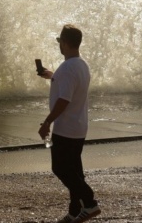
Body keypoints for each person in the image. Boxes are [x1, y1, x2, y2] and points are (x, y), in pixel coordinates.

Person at [37, 24, 101, 223]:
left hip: (65, 129)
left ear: (64, 42)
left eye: (60, 42)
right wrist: (51, 75)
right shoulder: (81, 65)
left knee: (60, 168)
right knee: (74, 171)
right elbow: (68, 86)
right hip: (79, 126)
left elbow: (64, 99)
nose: (60, 46)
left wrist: (47, 122)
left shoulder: (67, 69)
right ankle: (75, 211)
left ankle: (89, 203)